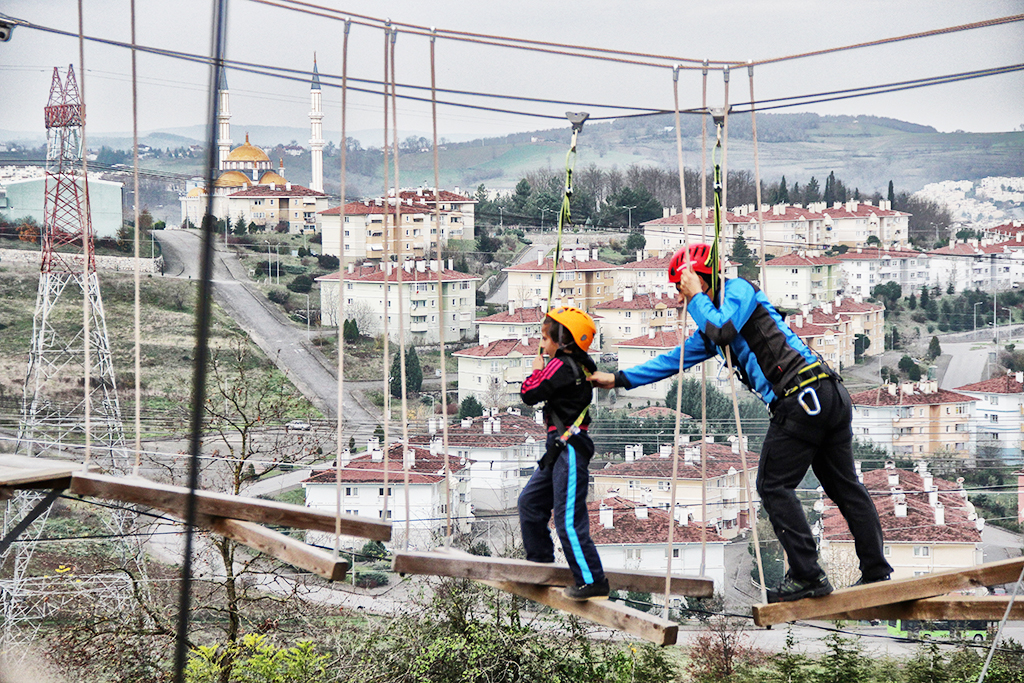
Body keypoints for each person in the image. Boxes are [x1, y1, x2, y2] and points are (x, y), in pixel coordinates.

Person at [589, 243, 892, 603]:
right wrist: (618, 379)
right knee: (845, 488)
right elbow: (674, 360)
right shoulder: (712, 327)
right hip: (823, 395)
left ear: (699, 280)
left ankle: (809, 575)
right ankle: (876, 571)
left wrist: (698, 296)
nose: (683, 300)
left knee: (773, 486)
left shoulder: (739, 290)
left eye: (683, 290)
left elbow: (723, 330)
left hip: (803, 397)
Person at [518, 306, 608, 601]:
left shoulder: (561, 365)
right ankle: (540, 564)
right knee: (530, 502)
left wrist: (535, 370)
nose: (541, 345)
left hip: (568, 448)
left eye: (545, 338)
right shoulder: (580, 365)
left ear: (562, 339)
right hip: (559, 448)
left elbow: (530, 393)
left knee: (568, 519)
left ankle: (592, 579)